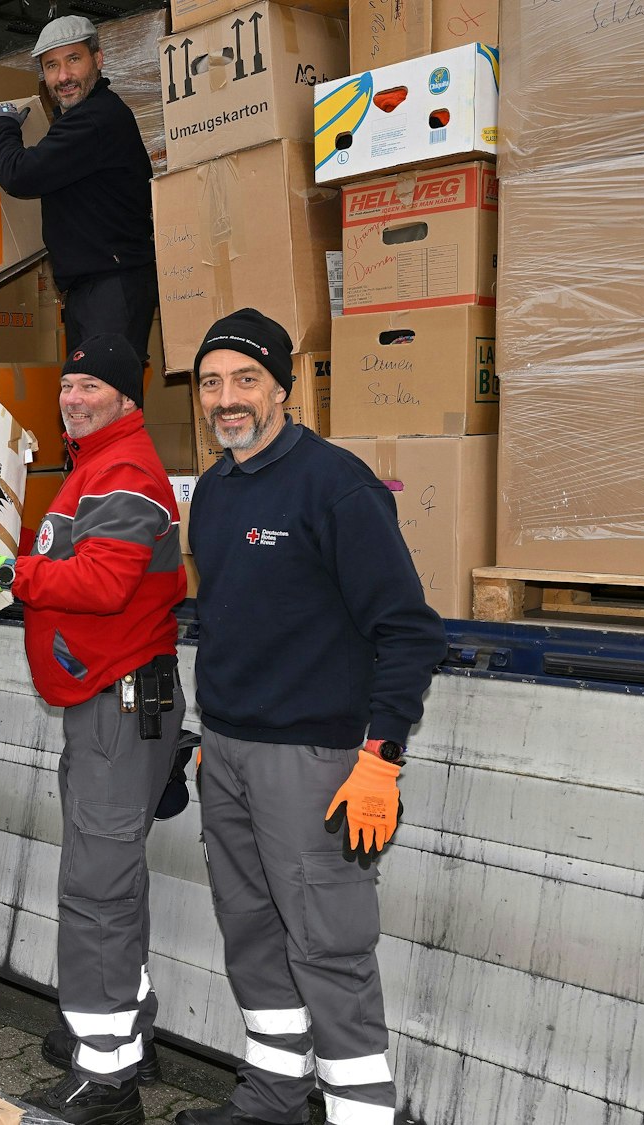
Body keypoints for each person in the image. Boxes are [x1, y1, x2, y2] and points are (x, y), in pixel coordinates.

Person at [178, 309, 446, 1125]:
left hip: (315, 763)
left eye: (246, 379)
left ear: (283, 389)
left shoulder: (337, 485)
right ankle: (273, 1099)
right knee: (252, 933)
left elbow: (407, 630)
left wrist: (382, 756)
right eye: (212, 382)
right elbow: (225, 619)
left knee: (328, 947)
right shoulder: (217, 490)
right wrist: (209, 734)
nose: (228, 399)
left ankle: (363, 1115)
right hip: (227, 755)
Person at [0, 334, 186, 1125]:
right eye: (69, 385)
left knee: (96, 891)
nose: (75, 397)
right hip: (107, 705)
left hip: (119, 704)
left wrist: (6, 572)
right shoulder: (93, 464)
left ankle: (105, 1080)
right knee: (106, 881)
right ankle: (115, 1031)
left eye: (91, 388)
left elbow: (105, 585)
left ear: (127, 398)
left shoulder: (125, 472)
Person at [0, 15, 159, 375]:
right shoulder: (79, 122)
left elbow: (19, 173)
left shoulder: (96, 119)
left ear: (98, 59)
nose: (63, 76)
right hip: (95, 287)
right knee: (88, 403)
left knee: (104, 401)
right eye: (51, 66)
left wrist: (2, 124)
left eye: (73, 60)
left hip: (112, 286)